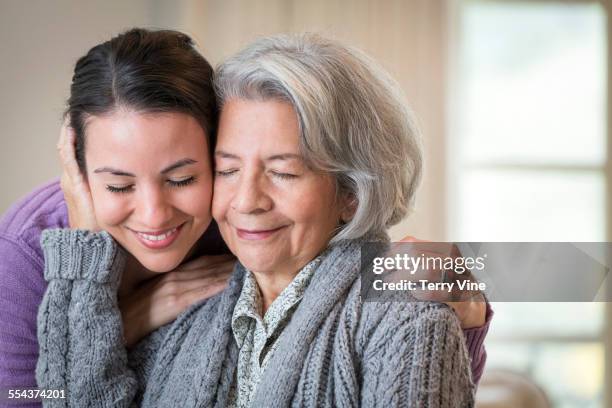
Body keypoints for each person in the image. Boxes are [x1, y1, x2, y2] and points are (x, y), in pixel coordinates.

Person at [37, 33, 485, 406]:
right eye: (227, 170)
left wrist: (474, 300)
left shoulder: (404, 308)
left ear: (351, 191)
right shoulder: (187, 306)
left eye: (283, 172)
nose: (246, 200)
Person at [0, 29, 238, 407]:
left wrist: (373, 272)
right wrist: (129, 320)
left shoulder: (236, 214)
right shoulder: (22, 253)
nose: (154, 214)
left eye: (182, 179)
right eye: (118, 186)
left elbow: (370, 261)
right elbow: (21, 394)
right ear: (77, 170)